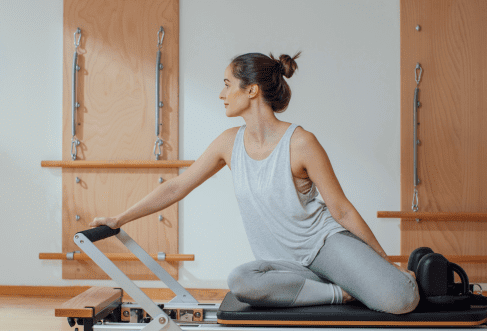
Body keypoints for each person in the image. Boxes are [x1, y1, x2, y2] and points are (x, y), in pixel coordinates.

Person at [90, 52, 420, 314]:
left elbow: (342, 211)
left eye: (226, 84)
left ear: (251, 90)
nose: (221, 94)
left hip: (324, 247)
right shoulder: (228, 143)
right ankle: (339, 291)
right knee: (242, 281)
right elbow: (177, 186)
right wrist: (119, 219)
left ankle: (379, 273)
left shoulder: (301, 142)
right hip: (284, 267)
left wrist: (383, 261)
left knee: (401, 299)